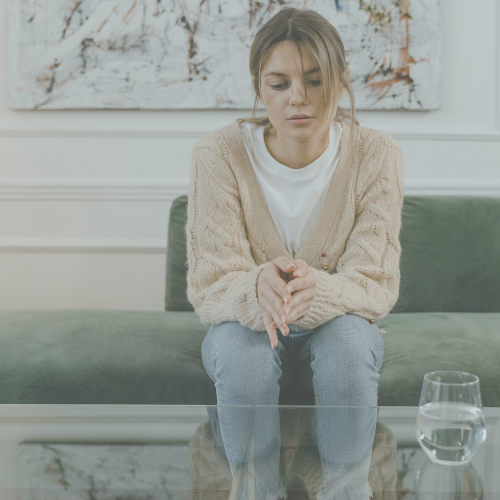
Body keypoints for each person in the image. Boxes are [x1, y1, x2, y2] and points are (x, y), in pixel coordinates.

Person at [185, 7, 404, 500]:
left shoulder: (376, 154)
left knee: (349, 347)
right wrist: (254, 284)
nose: (298, 98)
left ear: (342, 81)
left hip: (340, 323)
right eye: (279, 83)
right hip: (245, 324)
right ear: (260, 88)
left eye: (314, 79)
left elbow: (375, 284)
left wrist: (316, 287)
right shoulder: (217, 155)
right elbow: (210, 286)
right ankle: (252, 492)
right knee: (243, 358)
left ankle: (347, 491)